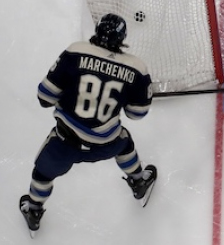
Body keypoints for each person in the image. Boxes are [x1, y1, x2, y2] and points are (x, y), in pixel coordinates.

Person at [19, 14, 157, 237]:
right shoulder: (137, 68)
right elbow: (136, 113)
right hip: (106, 144)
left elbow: (44, 97)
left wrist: (69, 91)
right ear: (122, 38)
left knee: (42, 174)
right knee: (124, 142)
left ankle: (33, 211)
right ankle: (139, 181)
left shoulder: (76, 51)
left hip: (64, 144)